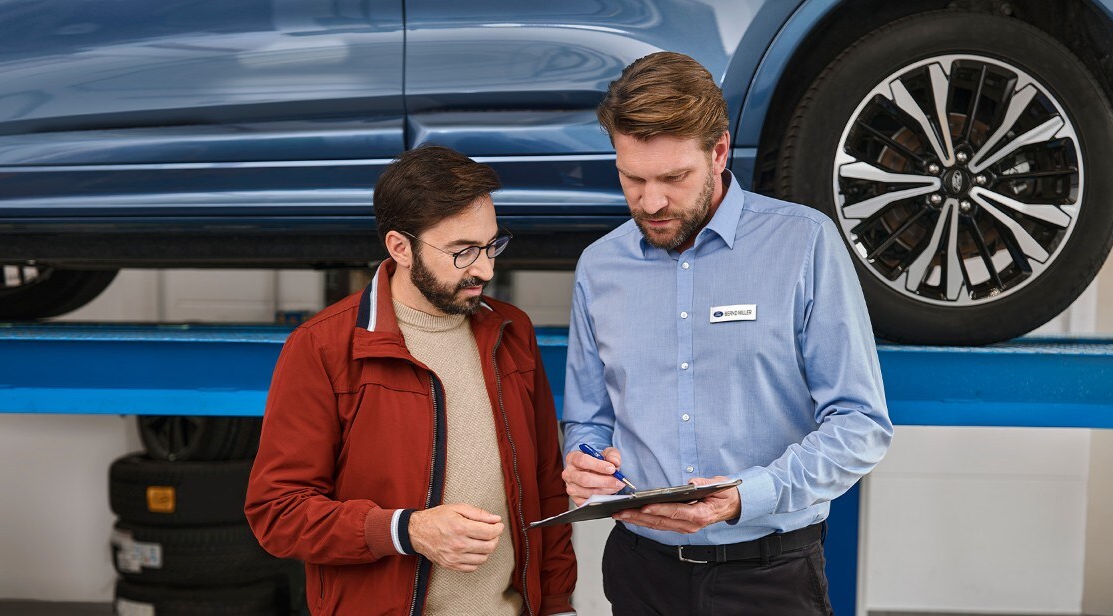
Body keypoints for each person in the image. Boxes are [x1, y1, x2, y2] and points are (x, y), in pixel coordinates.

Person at [560, 51, 893, 615]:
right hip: (640, 572)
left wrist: (744, 498)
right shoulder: (599, 267)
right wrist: (585, 458)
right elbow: (589, 418)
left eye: (673, 178)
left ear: (718, 151)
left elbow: (861, 425)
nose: (651, 201)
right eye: (632, 178)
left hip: (769, 575)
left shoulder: (805, 245)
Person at [246, 145, 576, 616]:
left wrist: (559, 604)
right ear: (400, 247)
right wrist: (407, 530)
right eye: (462, 252)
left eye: (491, 245)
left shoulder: (512, 332)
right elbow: (277, 512)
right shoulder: (323, 347)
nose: (485, 268)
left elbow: (546, 491)